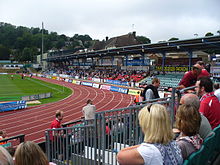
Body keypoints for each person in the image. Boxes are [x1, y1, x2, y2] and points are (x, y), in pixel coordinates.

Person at [117, 104, 183, 165]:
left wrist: (146, 142)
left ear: (147, 125)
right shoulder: (174, 144)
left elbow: (120, 155)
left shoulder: (149, 151)